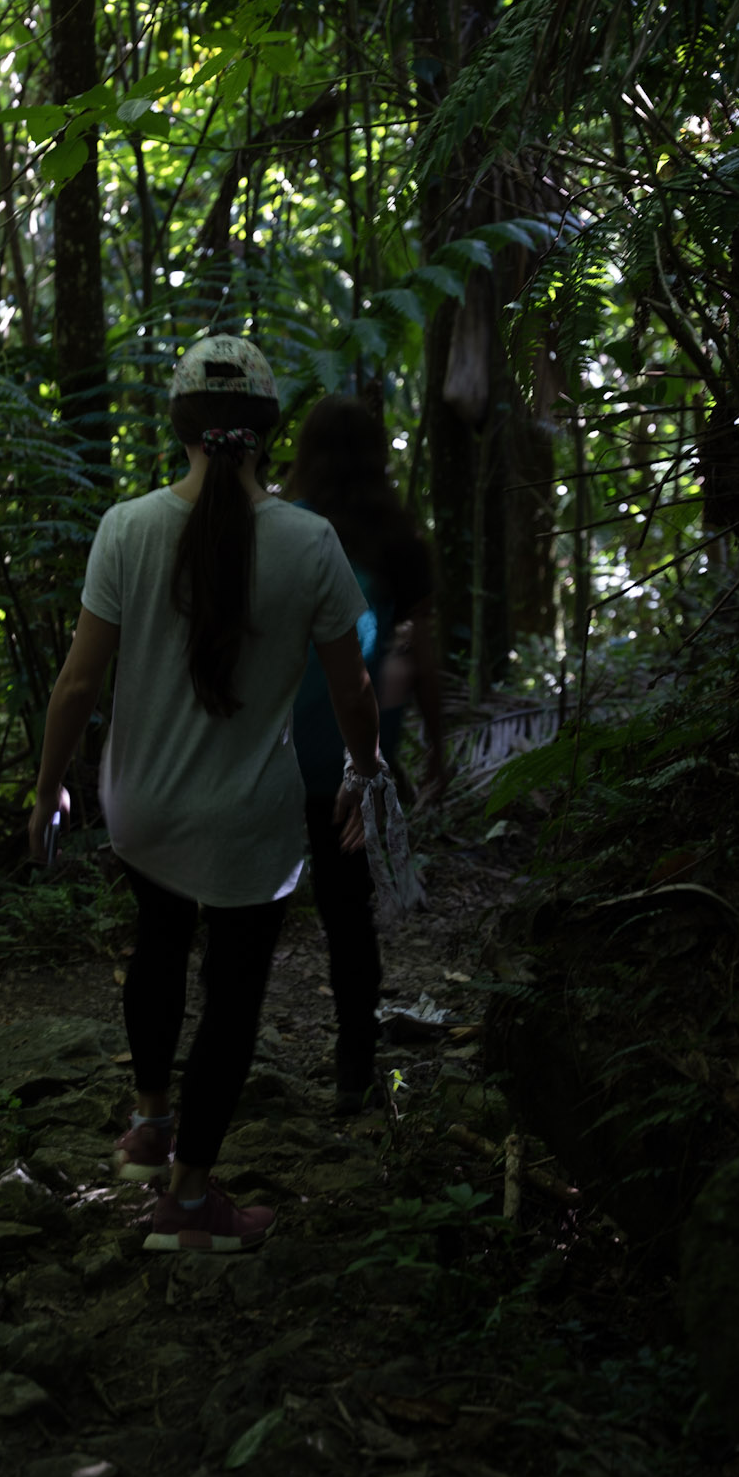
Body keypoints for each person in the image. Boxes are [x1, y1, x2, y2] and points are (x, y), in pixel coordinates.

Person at [28, 336, 382, 1253]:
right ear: (267, 435)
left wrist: (47, 790)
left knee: (156, 942)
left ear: (178, 427)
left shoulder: (127, 527)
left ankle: (150, 1124)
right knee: (231, 992)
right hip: (245, 821)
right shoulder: (309, 542)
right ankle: (187, 1202)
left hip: (141, 805)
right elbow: (352, 687)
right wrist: (365, 769)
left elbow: (75, 687)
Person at [287, 396, 447, 1110]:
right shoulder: (396, 540)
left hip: (271, 745)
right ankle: (353, 1067)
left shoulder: (284, 532)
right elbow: (424, 652)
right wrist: (434, 742)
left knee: (246, 908)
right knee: (346, 909)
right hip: (358, 749)